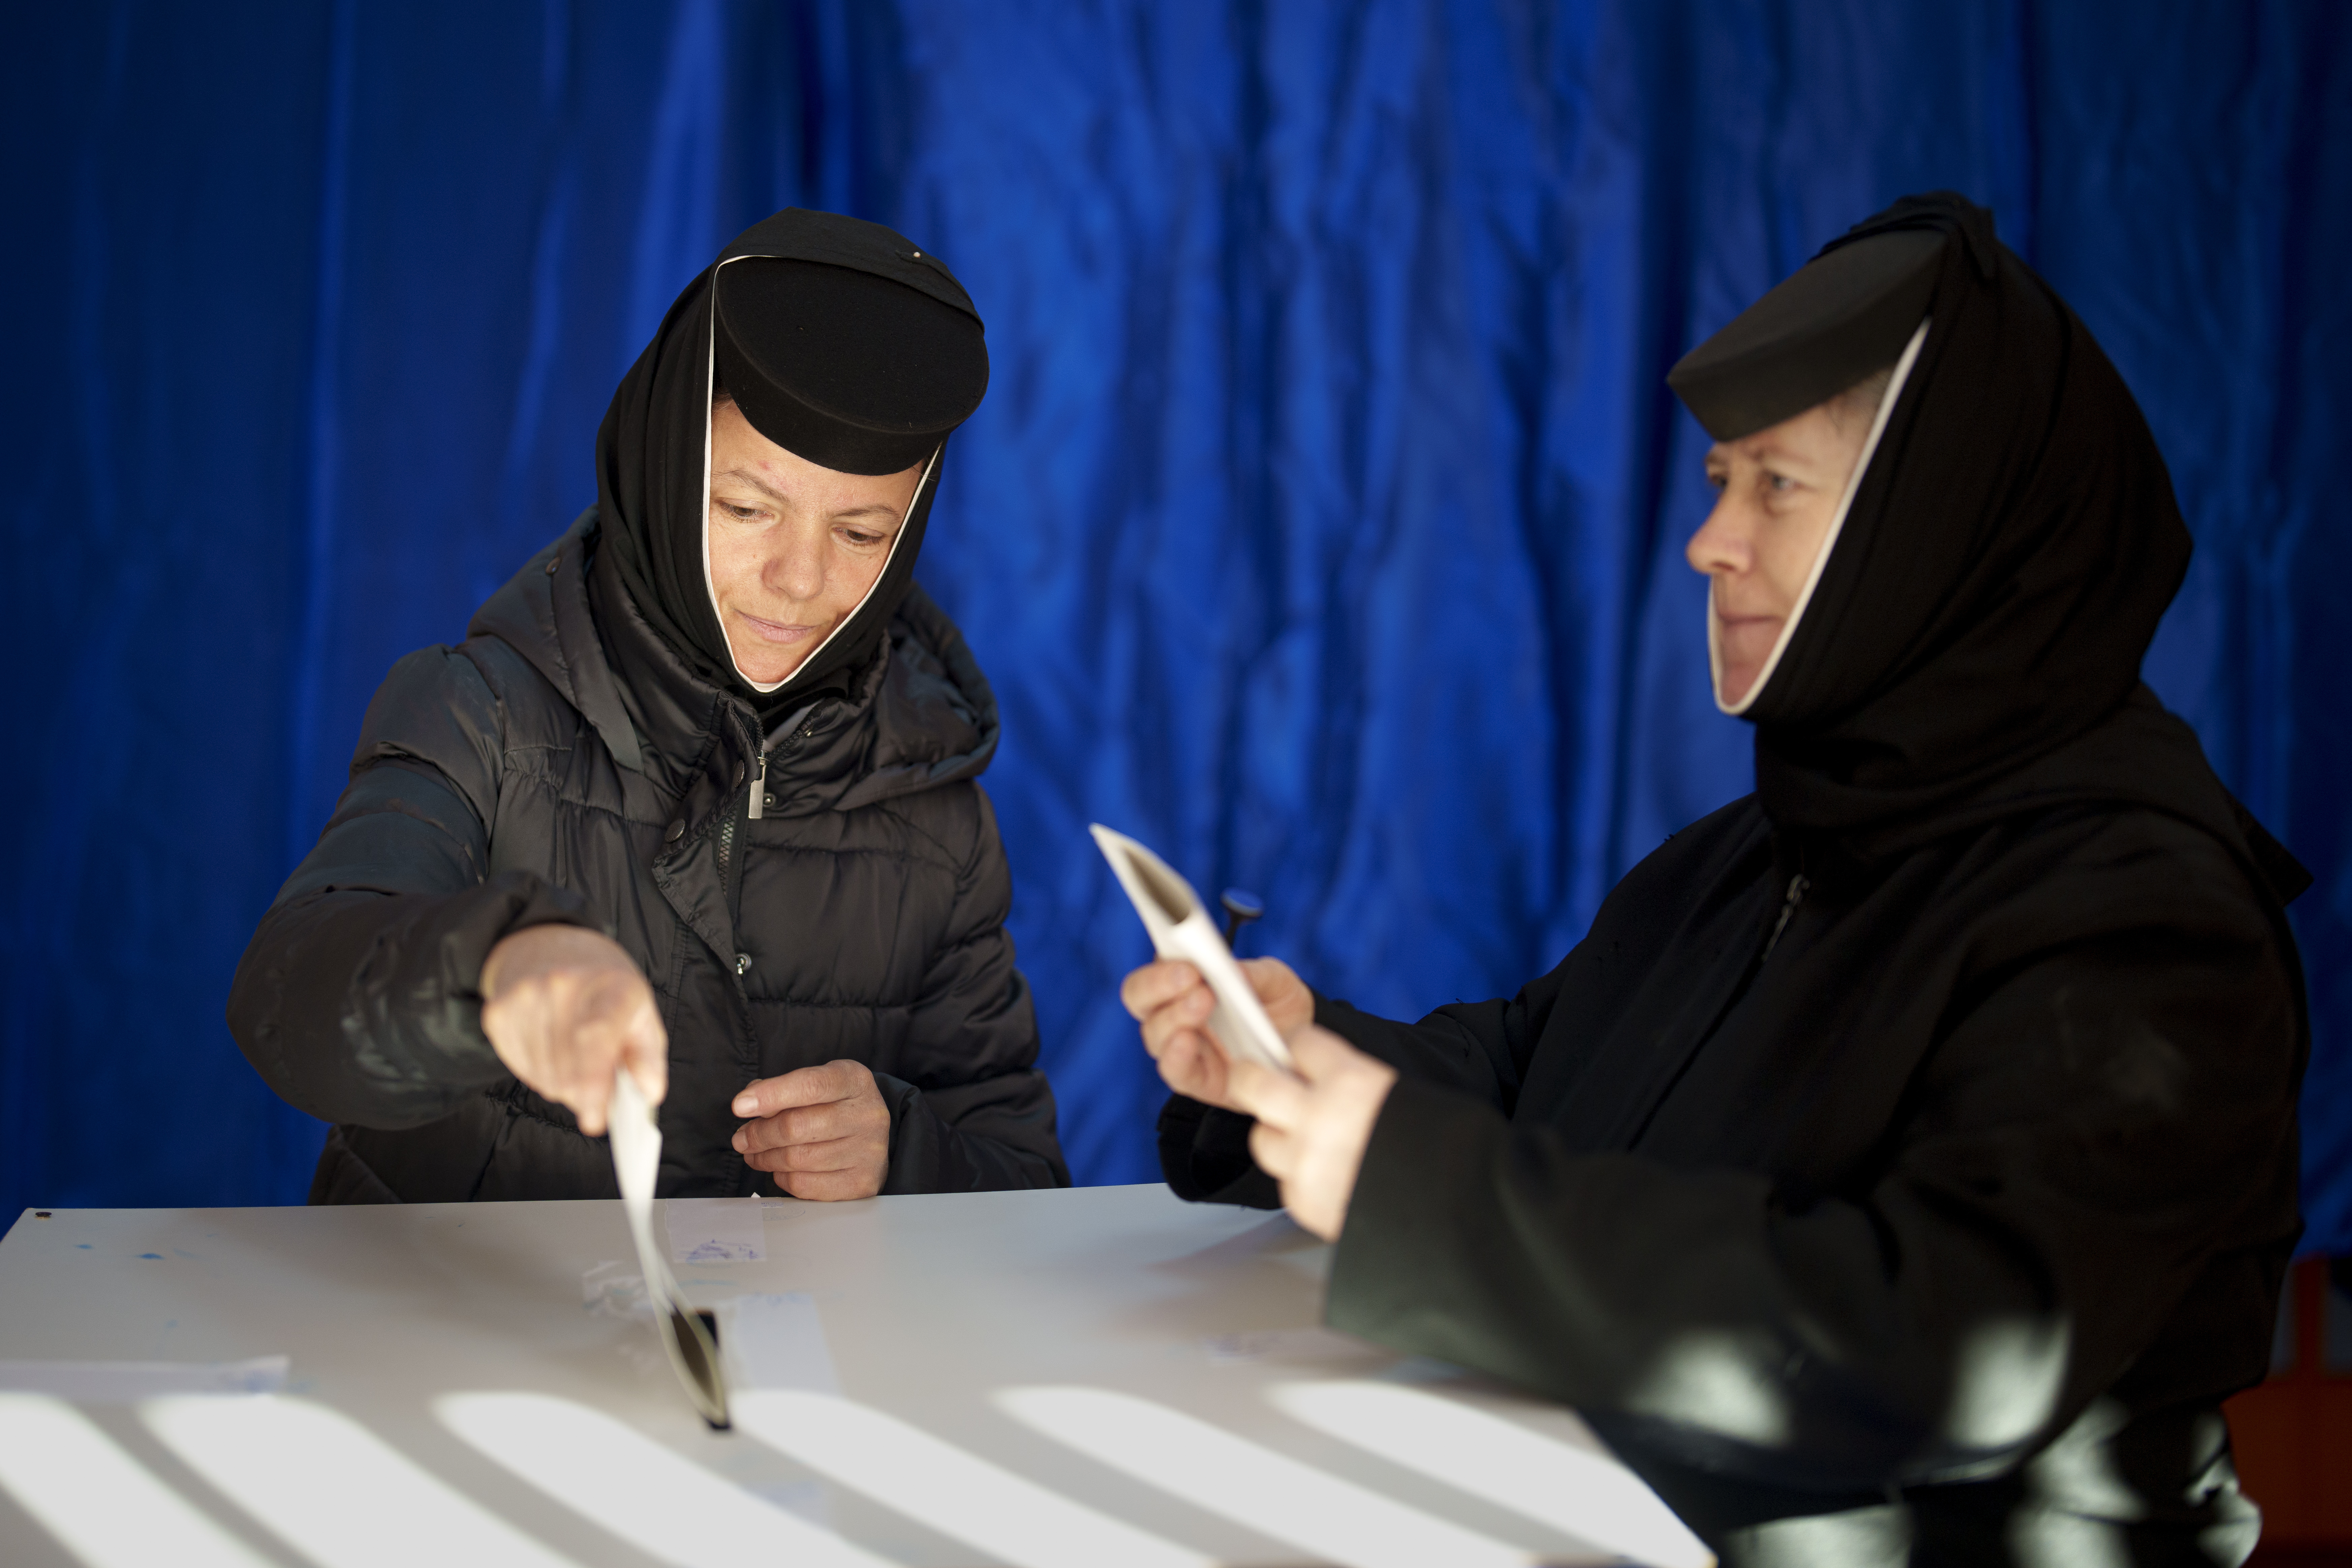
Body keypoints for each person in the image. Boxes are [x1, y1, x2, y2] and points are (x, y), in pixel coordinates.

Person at [1123, 193, 2307, 1564]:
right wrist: (1292, 1062)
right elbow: (1533, 1074)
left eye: (1777, 486)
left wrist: (1413, 1194)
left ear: (1933, 525)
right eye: (1714, 483)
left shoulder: (2140, 928)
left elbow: (1934, 1350)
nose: (1706, 544)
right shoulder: (1767, 847)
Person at [231, 208, 1067, 1203]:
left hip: (779, 1352)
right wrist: (490, 970)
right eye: (747, 509)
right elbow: (285, 1002)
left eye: (860, 534)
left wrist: (903, 1146)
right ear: (667, 471)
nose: (799, 580)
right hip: (462, 1342)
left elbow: (1020, 1181)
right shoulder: (479, 714)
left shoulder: (937, 810)